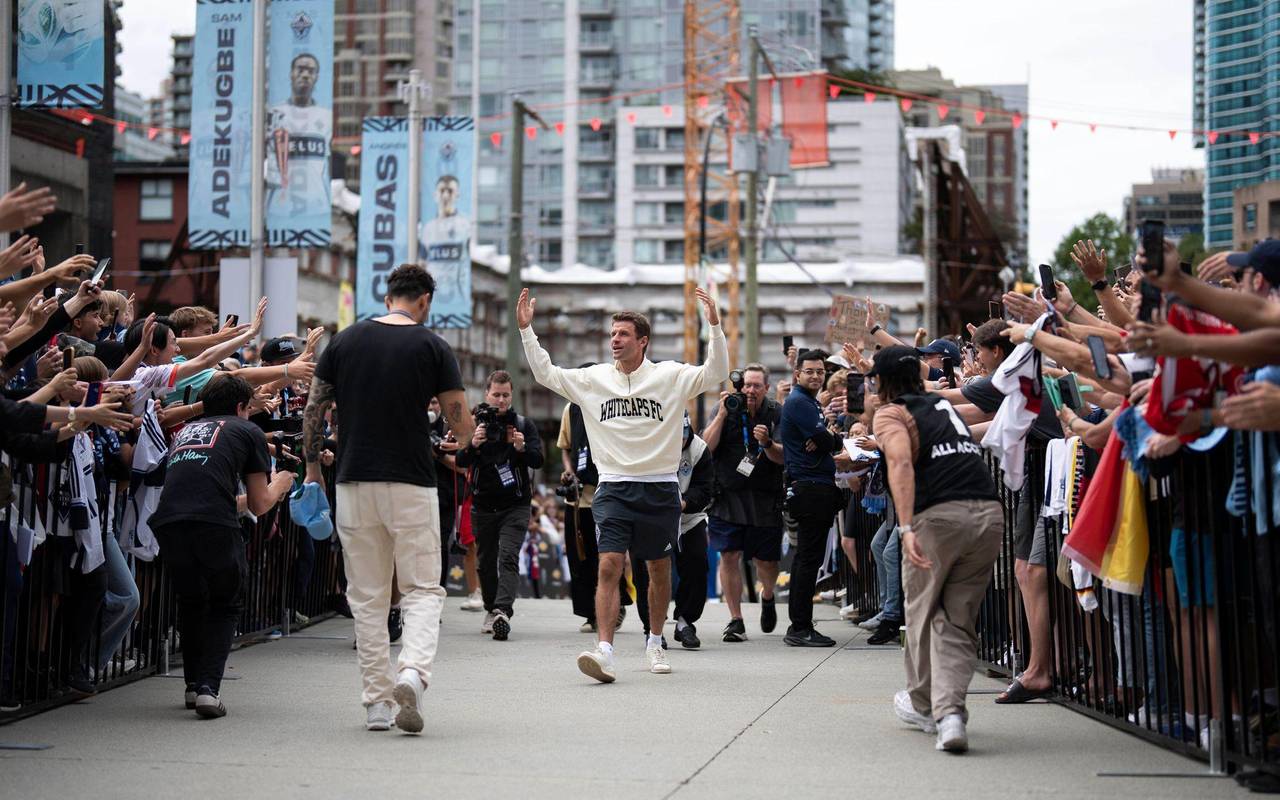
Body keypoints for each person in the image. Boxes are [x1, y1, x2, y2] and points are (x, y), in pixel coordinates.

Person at [517, 286, 727, 682]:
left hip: (660, 486)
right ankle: (605, 650)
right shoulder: (594, 379)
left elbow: (714, 374)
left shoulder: (670, 376)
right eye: (612, 334)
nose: (614, 340)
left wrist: (714, 325)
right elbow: (546, 374)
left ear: (642, 341)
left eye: (623, 334)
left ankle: (655, 642)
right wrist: (528, 332)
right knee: (610, 565)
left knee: (658, 569)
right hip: (612, 487)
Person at [304, 263, 473, 734]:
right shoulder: (431, 345)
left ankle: (377, 704)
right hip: (412, 482)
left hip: (354, 481)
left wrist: (314, 466)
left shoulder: (344, 342)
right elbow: (459, 422)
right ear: (424, 301)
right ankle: (413, 673)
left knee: (368, 597)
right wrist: (466, 443)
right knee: (421, 590)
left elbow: (314, 409)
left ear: (387, 297)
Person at [869, 345, 1002, 753]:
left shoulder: (891, 413)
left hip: (939, 516)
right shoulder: (943, 407)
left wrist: (906, 526)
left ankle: (927, 708)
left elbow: (901, 463)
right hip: (988, 511)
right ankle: (952, 714)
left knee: (923, 613)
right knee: (958, 620)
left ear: (881, 383)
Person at [149, 374, 296, 719]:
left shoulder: (186, 431)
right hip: (213, 524)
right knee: (225, 602)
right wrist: (282, 482)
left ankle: (192, 685)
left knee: (192, 600)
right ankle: (208, 690)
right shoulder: (247, 431)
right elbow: (260, 504)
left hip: (169, 523)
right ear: (242, 407)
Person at [454, 370, 544, 641]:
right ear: (487, 394)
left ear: (511, 395)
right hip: (482, 504)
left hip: (515, 504)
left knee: (508, 556)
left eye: (506, 395)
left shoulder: (522, 425)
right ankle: (491, 608)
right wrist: (473, 444)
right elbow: (460, 460)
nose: (501, 400)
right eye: (496, 394)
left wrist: (521, 447)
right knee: (484, 562)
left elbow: (537, 460)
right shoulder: (473, 423)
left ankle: (502, 611)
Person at [701, 363, 785, 642]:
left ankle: (768, 594)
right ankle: (736, 619)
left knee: (766, 561)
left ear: (766, 388)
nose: (750, 390)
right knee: (729, 555)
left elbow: (783, 457)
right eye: (746, 385)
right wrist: (722, 414)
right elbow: (706, 448)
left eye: (756, 386)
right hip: (727, 494)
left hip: (764, 496)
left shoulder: (775, 412)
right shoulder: (726, 406)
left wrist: (767, 444)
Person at [778, 350, 844, 647]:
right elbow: (827, 440)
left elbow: (826, 440)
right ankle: (800, 627)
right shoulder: (799, 402)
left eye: (820, 371)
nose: (816, 376)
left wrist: (827, 438)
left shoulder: (809, 402)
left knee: (809, 558)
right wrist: (828, 438)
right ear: (798, 374)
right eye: (810, 371)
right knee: (807, 559)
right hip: (809, 487)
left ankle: (800, 624)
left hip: (815, 486)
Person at [266, 53, 331, 219]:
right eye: (300, 69)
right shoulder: (273, 114)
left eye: (311, 71)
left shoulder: (326, 116)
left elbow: (328, 163)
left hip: (317, 209)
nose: (305, 75)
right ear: (291, 73)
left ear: (317, 77)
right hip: (279, 209)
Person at [417, 175, 471, 306]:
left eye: (450, 191)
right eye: (442, 191)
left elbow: (466, 264)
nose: (446, 196)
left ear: (457, 195)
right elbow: (422, 264)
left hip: (457, 298)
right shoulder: (427, 229)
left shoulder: (465, 226)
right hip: (432, 299)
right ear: (436, 195)